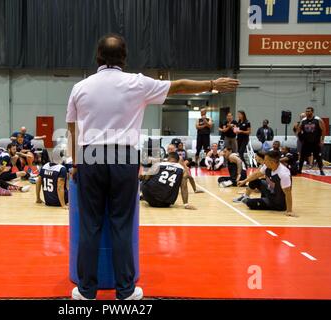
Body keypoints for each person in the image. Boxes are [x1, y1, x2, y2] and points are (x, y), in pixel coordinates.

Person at [66, 34, 239, 300]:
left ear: (97, 57)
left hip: (90, 157)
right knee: (121, 225)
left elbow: (72, 127)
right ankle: (125, 292)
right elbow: (180, 86)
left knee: (90, 226)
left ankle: (86, 292)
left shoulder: (81, 87)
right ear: (124, 58)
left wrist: (75, 161)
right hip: (124, 158)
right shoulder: (137, 83)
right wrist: (213, 84)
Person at [235, 151, 294, 217]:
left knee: (250, 203)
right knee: (255, 180)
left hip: (277, 202)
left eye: (266, 160)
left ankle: (258, 200)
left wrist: (289, 211)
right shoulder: (267, 166)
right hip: (270, 191)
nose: (264, 162)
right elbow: (256, 174)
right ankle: (246, 196)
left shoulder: (283, 174)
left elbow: (288, 193)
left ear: (272, 162)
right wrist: (244, 181)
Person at [298, 107, 326, 176]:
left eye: (309, 111)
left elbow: (324, 130)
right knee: (302, 156)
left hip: (315, 142)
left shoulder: (318, 120)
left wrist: (322, 140)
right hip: (306, 142)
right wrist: (301, 138)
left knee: (318, 157)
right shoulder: (303, 120)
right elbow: (298, 130)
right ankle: (299, 170)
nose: (307, 112)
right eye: (306, 111)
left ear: (312, 112)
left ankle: (321, 170)